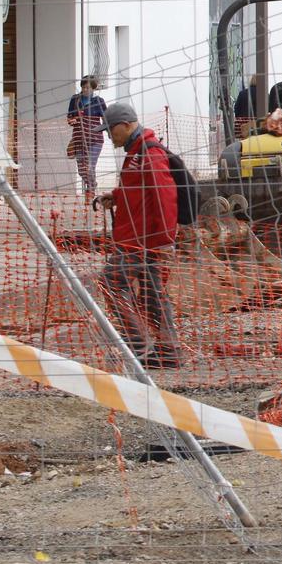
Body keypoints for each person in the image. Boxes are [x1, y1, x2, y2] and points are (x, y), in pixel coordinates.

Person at [95, 103, 180, 368]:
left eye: (111, 129)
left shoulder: (149, 154)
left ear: (126, 124)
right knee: (153, 294)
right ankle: (169, 351)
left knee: (110, 282)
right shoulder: (136, 153)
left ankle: (138, 346)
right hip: (140, 238)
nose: (110, 136)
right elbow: (138, 188)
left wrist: (165, 240)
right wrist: (117, 196)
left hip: (141, 241)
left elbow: (165, 197)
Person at [65, 75, 107, 198]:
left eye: (88, 87)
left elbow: (106, 122)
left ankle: (91, 190)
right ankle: (92, 183)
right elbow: (69, 117)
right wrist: (71, 121)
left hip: (95, 140)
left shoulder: (99, 101)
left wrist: (94, 130)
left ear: (94, 88)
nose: (85, 90)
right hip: (78, 139)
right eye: (83, 87)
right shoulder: (75, 100)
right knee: (81, 169)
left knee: (89, 166)